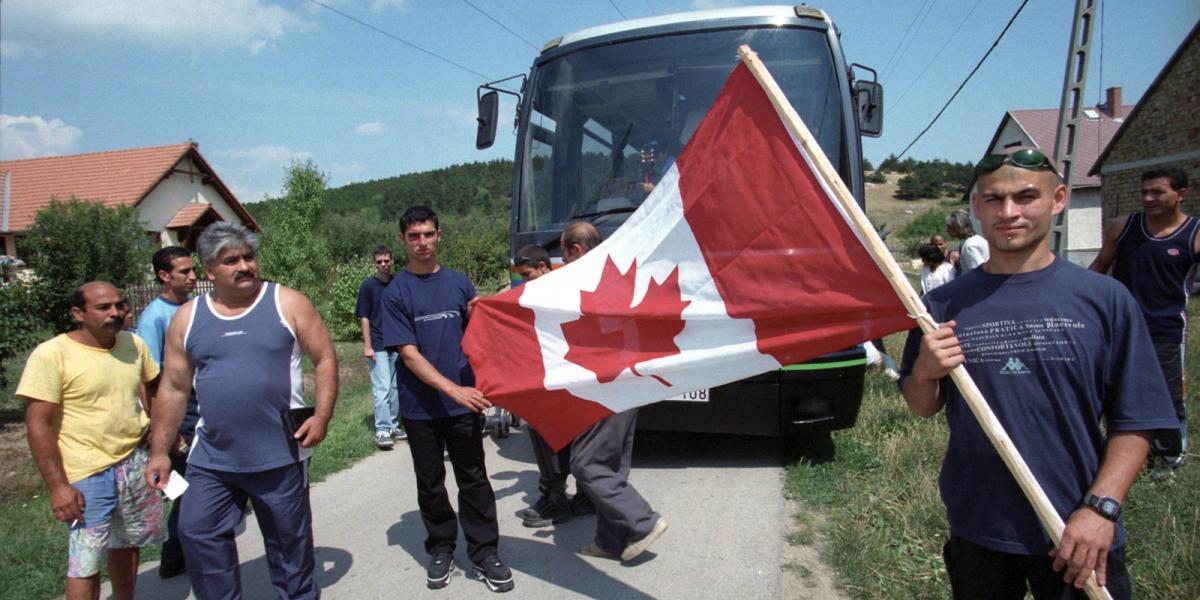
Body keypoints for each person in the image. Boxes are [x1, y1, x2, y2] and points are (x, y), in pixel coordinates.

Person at [899, 147, 1177, 599]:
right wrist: (926, 372)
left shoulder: (1104, 299)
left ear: (1059, 198)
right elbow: (922, 406)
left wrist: (1101, 511)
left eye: (1026, 197)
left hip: (1076, 530)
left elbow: (1137, 418)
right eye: (993, 199)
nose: (1009, 212)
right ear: (976, 207)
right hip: (979, 524)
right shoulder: (944, 305)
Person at [145, 222, 337, 600]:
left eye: (248, 256)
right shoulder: (187, 318)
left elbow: (325, 359)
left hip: (280, 452)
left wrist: (322, 416)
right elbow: (173, 387)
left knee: (289, 545)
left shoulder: (287, 302)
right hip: (213, 456)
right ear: (209, 271)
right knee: (197, 532)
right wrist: (158, 451)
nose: (244, 266)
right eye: (230, 260)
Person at [379, 205, 514, 593]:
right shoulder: (396, 293)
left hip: (463, 403)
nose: (422, 242)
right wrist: (453, 388)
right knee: (431, 481)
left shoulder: (459, 284)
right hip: (420, 407)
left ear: (439, 235)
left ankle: (485, 552)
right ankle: (441, 547)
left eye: (428, 234)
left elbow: (478, 335)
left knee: (474, 478)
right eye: (414, 236)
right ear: (404, 241)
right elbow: (408, 353)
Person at [18, 281, 166, 600]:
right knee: (85, 561)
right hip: (86, 473)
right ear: (78, 313)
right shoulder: (52, 355)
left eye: (119, 305)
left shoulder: (132, 344)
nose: (115, 312)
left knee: (126, 545)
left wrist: (157, 430)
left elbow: (152, 386)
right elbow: (38, 424)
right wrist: (58, 487)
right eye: (103, 307)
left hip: (132, 463)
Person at [561, 220, 669, 563]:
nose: (561, 263)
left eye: (564, 254)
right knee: (611, 465)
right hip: (629, 382)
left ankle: (642, 522)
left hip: (606, 386)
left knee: (586, 463)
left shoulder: (582, 283)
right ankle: (611, 541)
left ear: (576, 250)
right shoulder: (618, 273)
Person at [1089, 167, 1194, 474]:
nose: (1149, 198)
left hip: (1166, 331)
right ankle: (1119, 459)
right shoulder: (1124, 226)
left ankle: (1167, 464)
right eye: (1144, 192)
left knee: (1167, 397)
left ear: (1181, 194)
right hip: (1117, 328)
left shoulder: (1193, 233)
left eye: (1158, 192)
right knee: (1112, 394)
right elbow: (1098, 268)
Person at [510, 244, 594, 528]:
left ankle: (561, 499)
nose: (524, 281)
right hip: (555, 373)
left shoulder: (564, 288)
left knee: (554, 431)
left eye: (527, 274)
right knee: (546, 429)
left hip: (570, 373)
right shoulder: (536, 292)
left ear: (544, 267)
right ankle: (562, 495)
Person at [136, 246, 198, 579]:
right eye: (184, 272)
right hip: (177, 411)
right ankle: (174, 555)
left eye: (193, 270)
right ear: (164, 276)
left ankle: (190, 546)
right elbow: (149, 382)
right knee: (187, 485)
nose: (193, 276)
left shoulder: (191, 307)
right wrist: (163, 431)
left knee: (196, 480)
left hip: (198, 404)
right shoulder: (154, 317)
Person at [357, 245, 405, 450]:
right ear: (374, 263)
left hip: (396, 343)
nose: (383, 265)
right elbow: (364, 317)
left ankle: (393, 424)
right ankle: (382, 429)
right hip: (377, 344)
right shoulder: (368, 286)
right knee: (382, 387)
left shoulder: (398, 284)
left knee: (395, 388)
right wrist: (367, 346)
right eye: (379, 262)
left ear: (392, 261)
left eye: (386, 261)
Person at [945, 208, 989, 273]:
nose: (947, 230)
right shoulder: (969, 241)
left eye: (949, 227)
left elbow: (977, 272)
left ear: (958, 228)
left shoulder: (970, 246)